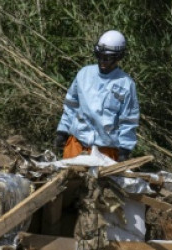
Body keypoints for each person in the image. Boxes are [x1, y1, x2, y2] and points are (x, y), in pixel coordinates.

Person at [55, 30, 139, 162]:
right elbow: (71, 104)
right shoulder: (84, 74)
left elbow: (128, 120)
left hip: (105, 151)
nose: (102, 61)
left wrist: (125, 149)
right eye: (99, 56)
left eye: (107, 58)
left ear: (118, 57)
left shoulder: (126, 85)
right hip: (76, 145)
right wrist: (62, 130)